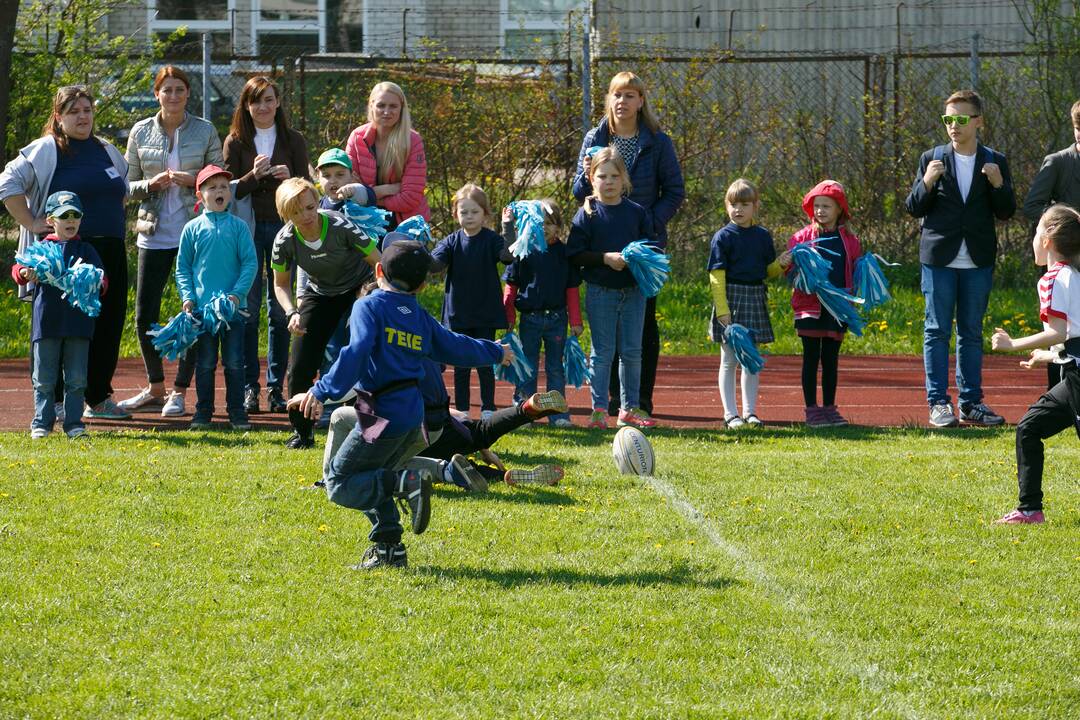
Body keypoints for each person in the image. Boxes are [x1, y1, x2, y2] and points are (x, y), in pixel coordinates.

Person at [291, 240, 513, 570]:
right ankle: (389, 550)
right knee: (370, 474)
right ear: (423, 285)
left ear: (378, 270)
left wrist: (320, 391)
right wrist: (495, 351)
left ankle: (404, 483)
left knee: (339, 483)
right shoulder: (418, 316)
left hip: (379, 414)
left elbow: (355, 353)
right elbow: (455, 346)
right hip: (413, 416)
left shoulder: (369, 306)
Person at [1, 85, 130, 421]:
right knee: (62, 324)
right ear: (59, 117)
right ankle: (54, 403)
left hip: (110, 251)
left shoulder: (107, 150)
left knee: (109, 324)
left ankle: (98, 398)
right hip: (66, 253)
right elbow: (7, 183)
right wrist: (31, 222)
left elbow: (122, 192)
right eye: (74, 111)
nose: (83, 117)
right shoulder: (47, 150)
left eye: (87, 110)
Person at [572, 71, 685, 418]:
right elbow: (579, 191)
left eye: (631, 95)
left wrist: (648, 222)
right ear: (609, 100)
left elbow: (675, 191)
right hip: (604, 245)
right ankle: (608, 403)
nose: (623, 102)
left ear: (641, 102)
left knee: (643, 328)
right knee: (606, 337)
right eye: (617, 95)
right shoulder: (596, 137)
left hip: (643, 249)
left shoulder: (657, 141)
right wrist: (585, 173)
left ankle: (639, 402)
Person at [905, 89, 1016, 428]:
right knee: (936, 330)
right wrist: (926, 182)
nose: (954, 125)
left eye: (961, 119)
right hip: (938, 259)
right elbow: (913, 207)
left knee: (970, 332)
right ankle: (938, 403)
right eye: (948, 119)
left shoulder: (995, 160)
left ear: (978, 121)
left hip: (978, 259)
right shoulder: (931, 158)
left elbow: (1007, 211)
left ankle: (971, 403)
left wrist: (998, 185)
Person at [118, 66, 225, 417]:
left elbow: (220, 178)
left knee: (192, 313)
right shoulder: (140, 131)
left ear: (188, 94)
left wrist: (192, 179)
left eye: (180, 89)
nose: (174, 96)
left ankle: (179, 391)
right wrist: (150, 185)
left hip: (195, 234)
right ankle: (155, 387)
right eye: (167, 90)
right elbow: (125, 186)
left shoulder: (205, 130)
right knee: (143, 314)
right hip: (153, 234)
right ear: (157, 94)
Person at [223, 76, 311, 416]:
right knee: (248, 309)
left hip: (282, 229)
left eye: (269, 99)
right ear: (246, 105)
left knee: (279, 310)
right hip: (247, 229)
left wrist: (289, 178)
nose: (263, 106)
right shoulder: (236, 141)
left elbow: (305, 190)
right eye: (256, 100)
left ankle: (277, 388)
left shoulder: (294, 140)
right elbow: (228, 192)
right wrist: (253, 176)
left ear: (278, 103)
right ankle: (250, 387)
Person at [270, 177, 379, 449]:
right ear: (285, 214)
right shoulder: (283, 241)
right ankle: (303, 433)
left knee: (365, 353)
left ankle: (372, 428)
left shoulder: (340, 224)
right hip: (320, 293)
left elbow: (378, 262)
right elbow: (281, 284)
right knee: (300, 363)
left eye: (309, 207)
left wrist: (374, 298)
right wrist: (291, 312)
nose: (305, 216)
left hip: (360, 286)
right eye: (296, 212)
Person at [989, 204, 1080, 524]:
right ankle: (1030, 509)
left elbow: (1058, 331)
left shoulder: (1054, 278)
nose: (1033, 238)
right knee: (1029, 428)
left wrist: (1012, 344)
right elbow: (1072, 336)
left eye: (1036, 231)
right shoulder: (1072, 275)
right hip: (1073, 373)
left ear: (1048, 240)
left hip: (1077, 375)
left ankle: (1030, 509)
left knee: (1029, 428)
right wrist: (1054, 355)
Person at [566, 147, 655, 430]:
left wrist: (638, 259)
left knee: (631, 352)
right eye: (602, 176)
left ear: (624, 179)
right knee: (602, 353)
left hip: (633, 292)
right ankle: (599, 410)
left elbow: (651, 247)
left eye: (615, 175)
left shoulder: (637, 213)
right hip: (600, 292)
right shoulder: (587, 214)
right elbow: (575, 254)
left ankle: (628, 409)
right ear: (592, 179)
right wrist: (606, 259)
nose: (609, 181)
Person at [11, 191, 106, 439]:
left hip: (78, 325)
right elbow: (19, 266)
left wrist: (94, 282)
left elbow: (102, 279)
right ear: (51, 220)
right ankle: (41, 423)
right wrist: (24, 273)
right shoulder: (42, 248)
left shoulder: (87, 249)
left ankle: (74, 424)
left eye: (75, 215)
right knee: (43, 377)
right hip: (47, 323)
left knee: (76, 378)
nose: (70, 220)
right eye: (64, 215)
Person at [175, 165, 258, 429]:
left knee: (234, 362)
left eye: (224, 186)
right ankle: (203, 412)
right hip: (203, 312)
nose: (219, 191)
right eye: (212, 187)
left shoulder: (240, 227)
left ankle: (237, 412)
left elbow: (250, 264)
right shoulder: (191, 228)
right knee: (206, 363)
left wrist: (236, 295)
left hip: (233, 310)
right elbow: (183, 267)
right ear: (200, 195)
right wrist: (188, 297)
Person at [780, 180, 862, 428]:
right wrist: (787, 264)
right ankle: (811, 410)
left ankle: (829, 408)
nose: (821, 211)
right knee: (810, 358)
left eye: (827, 206)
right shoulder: (802, 237)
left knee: (831, 359)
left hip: (837, 310)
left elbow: (856, 269)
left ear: (839, 209)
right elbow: (792, 272)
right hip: (809, 307)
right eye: (817, 206)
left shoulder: (849, 240)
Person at [707, 179, 784, 428]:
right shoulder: (722, 237)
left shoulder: (763, 236)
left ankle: (750, 413)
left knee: (751, 359)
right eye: (733, 204)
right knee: (729, 360)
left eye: (744, 204)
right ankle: (731, 414)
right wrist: (723, 310)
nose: (738, 209)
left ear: (755, 206)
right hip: (731, 301)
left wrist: (782, 263)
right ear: (726, 206)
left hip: (754, 299)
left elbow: (767, 272)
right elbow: (716, 276)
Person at [430, 183, 511, 419]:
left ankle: (488, 408)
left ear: (485, 213)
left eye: (475, 212)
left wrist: (508, 227)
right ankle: (463, 409)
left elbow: (507, 256)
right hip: (459, 313)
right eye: (464, 212)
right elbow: (435, 265)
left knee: (486, 359)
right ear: (456, 214)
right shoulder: (451, 241)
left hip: (485, 311)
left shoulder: (492, 239)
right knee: (461, 364)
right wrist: (419, 248)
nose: (469, 217)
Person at [501, 199, 583, 428]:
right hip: (530, 319)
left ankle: (558, 414)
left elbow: (572, 288)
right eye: (540, 223)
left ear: (559, 226)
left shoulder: (564, 254)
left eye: (550, 223)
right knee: (527, 365)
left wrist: (576, 320)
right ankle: (524, 413)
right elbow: (511, 285)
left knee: (555, 367)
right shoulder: (523, 250)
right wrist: (508, 315)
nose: (545, 227)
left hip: (557, 319)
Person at [1022, 99, 1080, 390]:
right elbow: (1033, 206)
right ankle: (1057, 398)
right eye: (1077, 127)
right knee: (1059, 334)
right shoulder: (1058, 162)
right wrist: (1066, 223)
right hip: (1067, 261)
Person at [344, 81, 430, 226]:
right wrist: (388, 189)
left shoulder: (413, 140)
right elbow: (350, 190)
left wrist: (368, 196)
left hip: (406, 223)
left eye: (393, 106)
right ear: (371, 106)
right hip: (364, 220)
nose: (386, 111)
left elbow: (411, 197)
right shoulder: (357, 137)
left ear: (402, 108)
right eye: (381, 105)